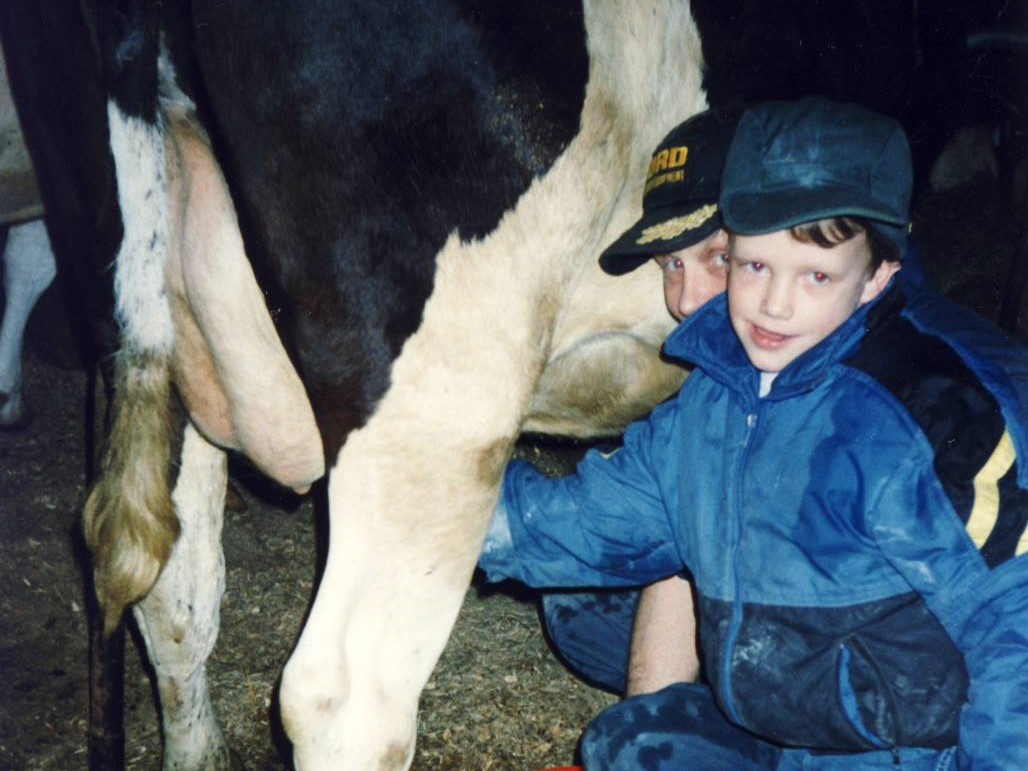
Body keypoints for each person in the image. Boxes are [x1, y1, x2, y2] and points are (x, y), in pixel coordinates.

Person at [481, 97, 1028, 769]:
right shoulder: (715, 396)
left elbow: (1017, 621)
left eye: (816, 274)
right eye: (754, 266)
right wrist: (426, 480)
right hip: (790, 726)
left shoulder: (930, 415)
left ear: (877, 277)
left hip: (910, 751)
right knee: (627, 745)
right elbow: (581, 522)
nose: (774, 302)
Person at [538, 106, 741, 698]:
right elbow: (664, 510)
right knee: (576, 602)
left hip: (854, 663)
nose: (685, 298)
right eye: (671, 264)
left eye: (718, 256)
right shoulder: (724, 365)